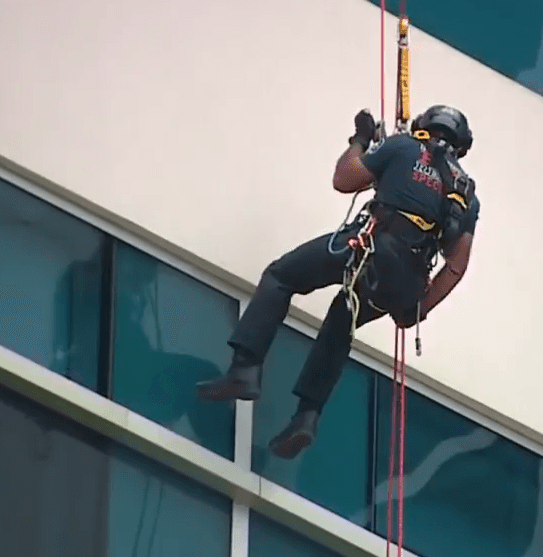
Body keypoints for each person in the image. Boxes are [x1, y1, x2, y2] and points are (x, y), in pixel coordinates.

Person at [195, 104, 480, 459]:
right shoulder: (465, 192)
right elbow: (456, 265)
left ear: (425, 127)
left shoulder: (404, 146)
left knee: (281, 276)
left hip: (369, 247)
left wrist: (361, 140)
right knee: (342, 319)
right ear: (461, 146)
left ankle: (245, 369)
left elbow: (344, 180)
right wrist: (417, 309)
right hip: (404, 282)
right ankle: (307, 417)